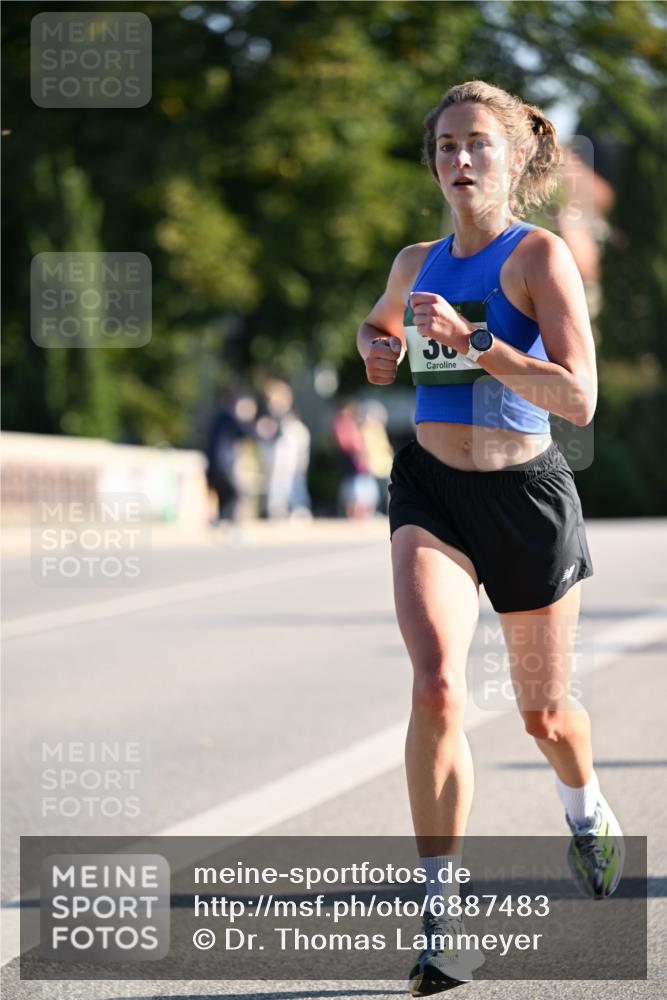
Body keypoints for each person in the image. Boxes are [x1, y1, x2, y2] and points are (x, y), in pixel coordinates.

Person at [356, 80, 624, 995]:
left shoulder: (538, 258)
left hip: (526, 496)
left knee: (543, 715)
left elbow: (579, 398)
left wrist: (480, 349)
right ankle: (443, 912)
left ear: (514, 160)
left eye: (476, 145)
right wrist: (376, 349)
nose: (458, 161)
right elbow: (378, 328)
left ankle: (584, 805)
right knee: (434, 684)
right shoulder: (414, 260)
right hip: (432, 492)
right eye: (444, 147)